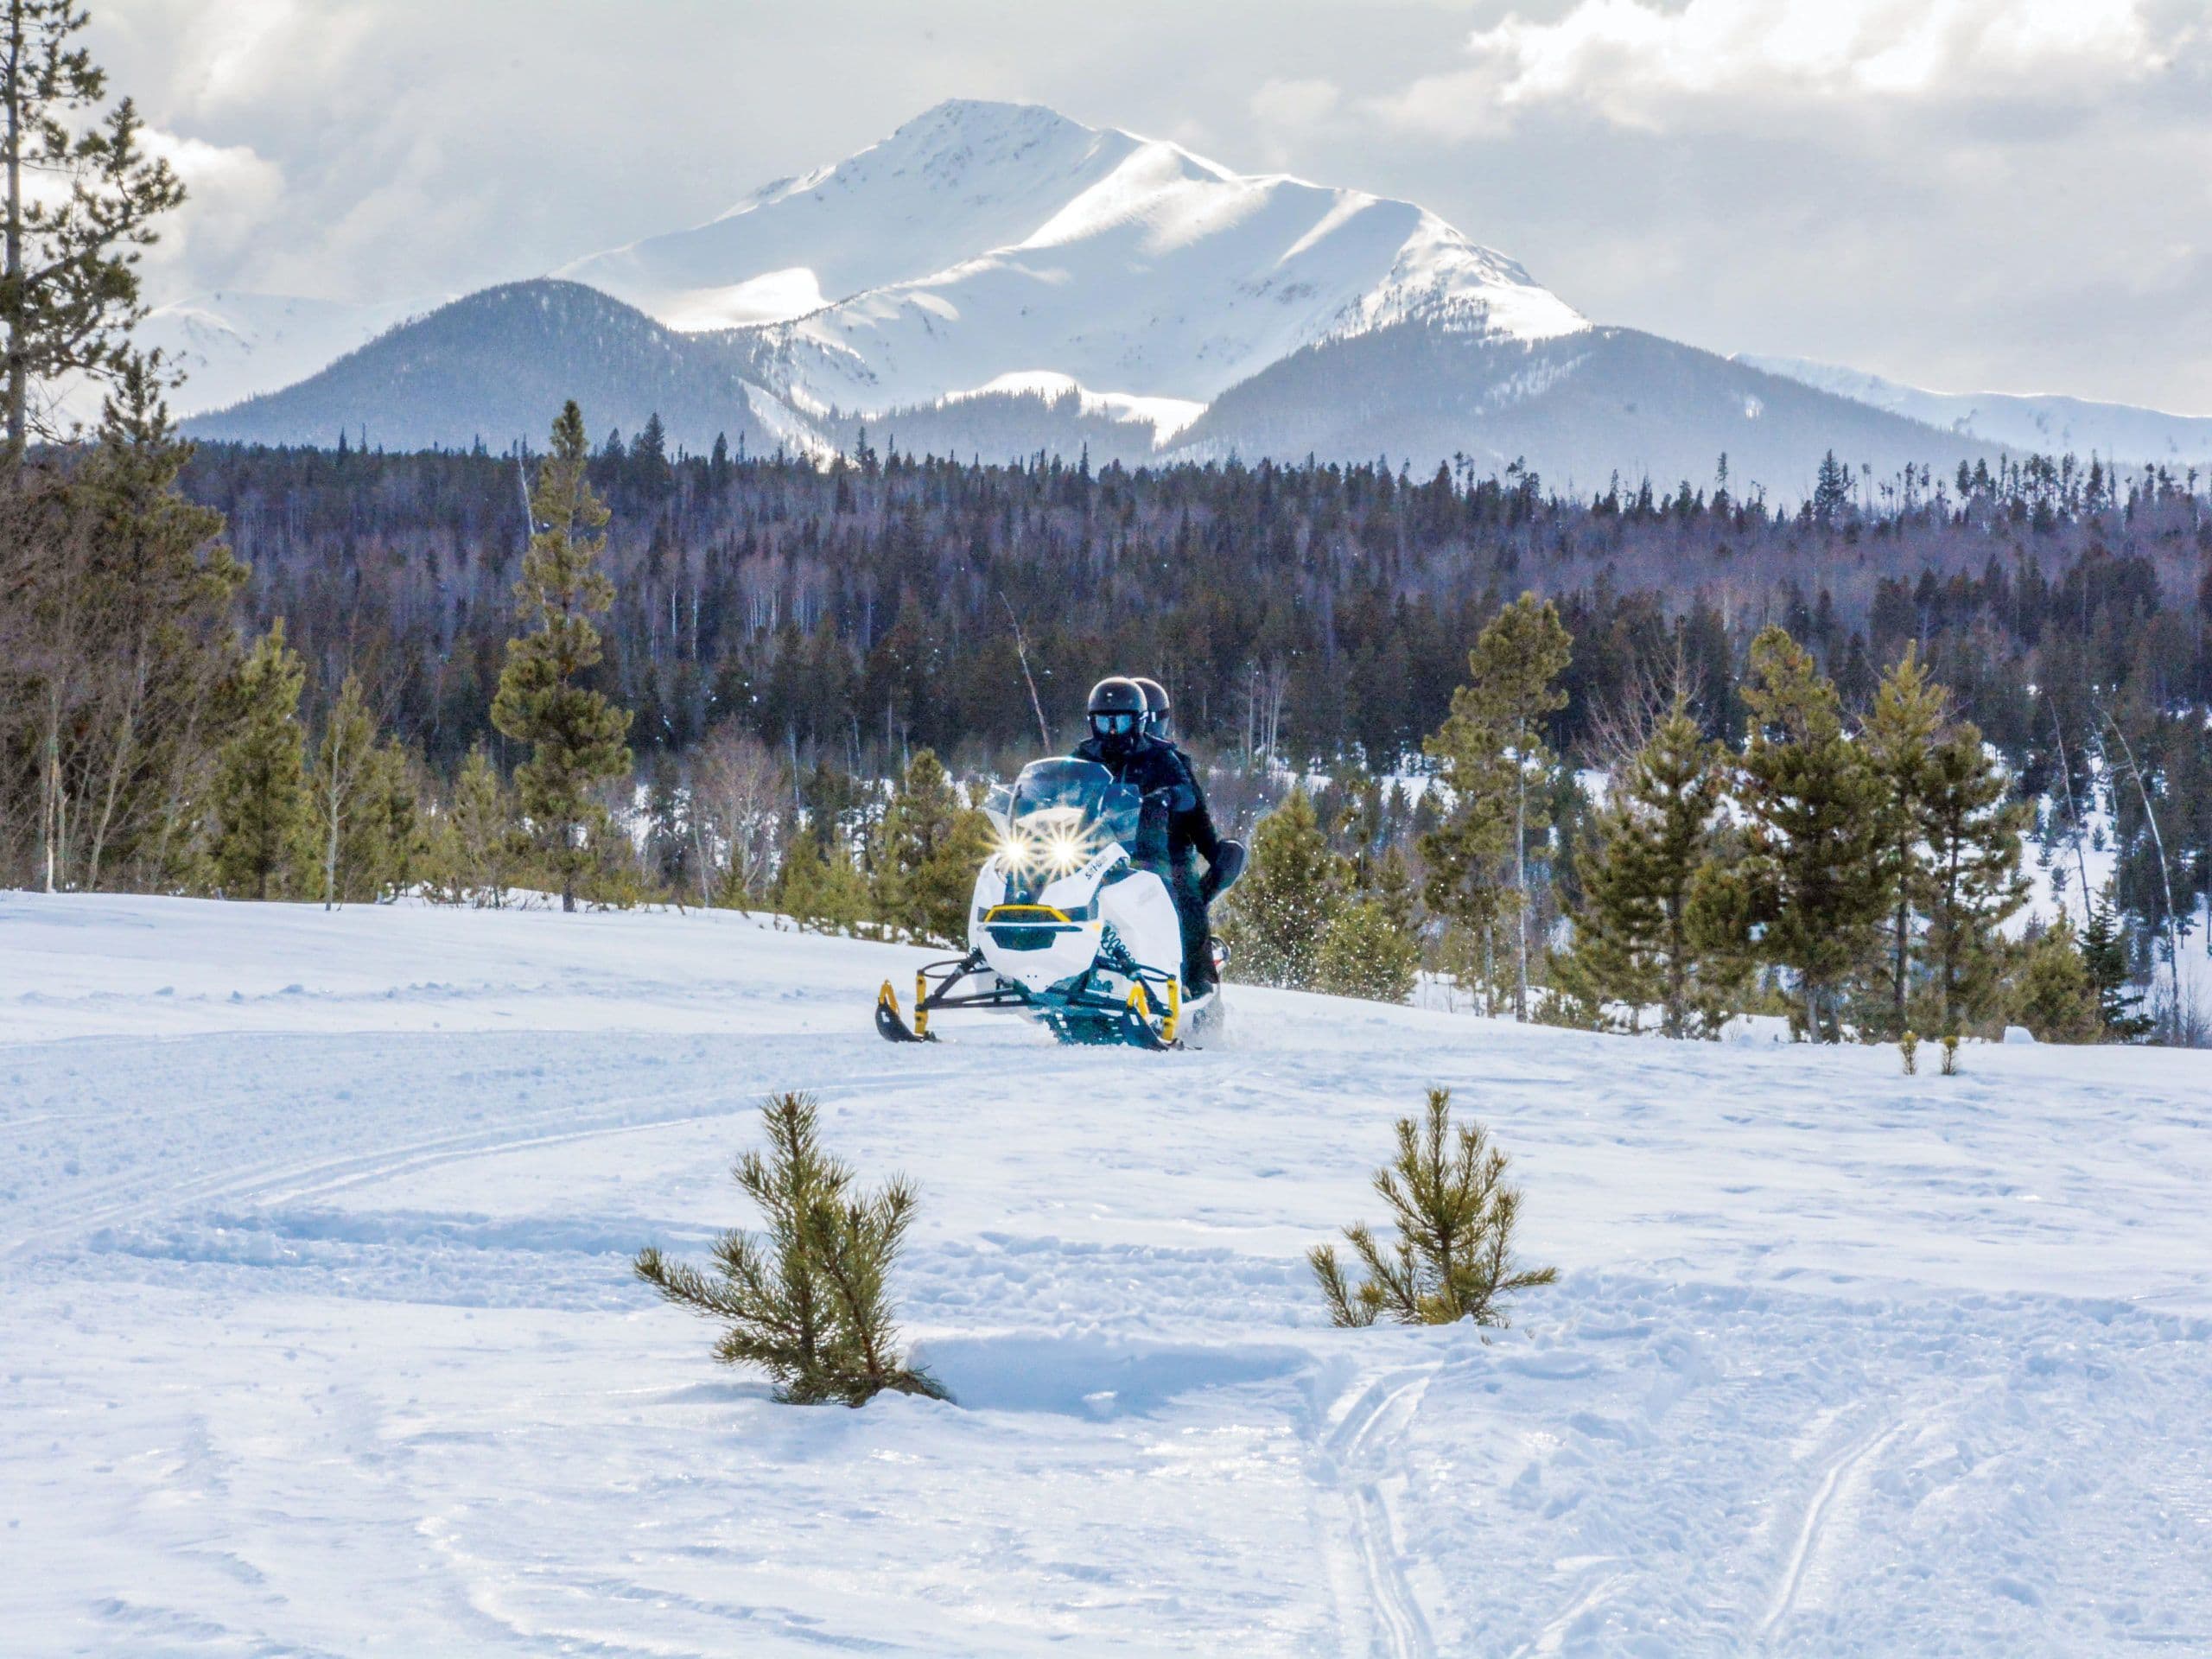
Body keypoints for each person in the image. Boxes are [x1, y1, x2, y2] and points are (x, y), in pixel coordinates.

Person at [1073, 677, 1240, 994]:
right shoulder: (1086, 754)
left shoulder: (1163, 758)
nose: (1112, 730)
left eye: (1120, 721)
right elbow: (1063, 780)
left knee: (1185, 902)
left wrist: (1211, 850)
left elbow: (1195, 808)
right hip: (1098, 849)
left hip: (1162, 852)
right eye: (1105, 721)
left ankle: (1198, 982)